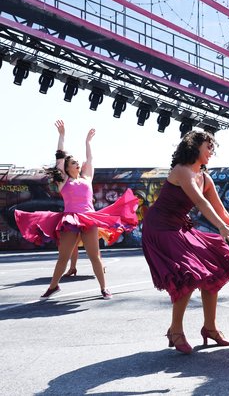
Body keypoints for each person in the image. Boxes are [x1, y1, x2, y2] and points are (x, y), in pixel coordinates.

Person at [141, 130, 229, 355]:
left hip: (179, 227)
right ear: (194, 147)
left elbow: (219, 208)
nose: (211, 152)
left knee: (215, 269)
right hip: (160, 227)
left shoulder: (205, 176)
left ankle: (210, 328)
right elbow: (201, 202)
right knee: (188, 274)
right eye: (208, 147)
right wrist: (222, 229)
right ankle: (175, 331)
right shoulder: (182, 171)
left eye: (212, 148)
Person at [14, 120, 138, 299]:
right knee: (63, 257)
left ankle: (104, 288)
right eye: (74, 163)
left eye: (78, 163)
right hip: (70, 219)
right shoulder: (64, 181)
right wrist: (62, 136)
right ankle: (53, 286)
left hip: (88, 218)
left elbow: (91, 160)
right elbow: (59, 159)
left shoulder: (87, 178)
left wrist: (88, 143)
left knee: (95, 256)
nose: (78, 164)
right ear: (67, 167)